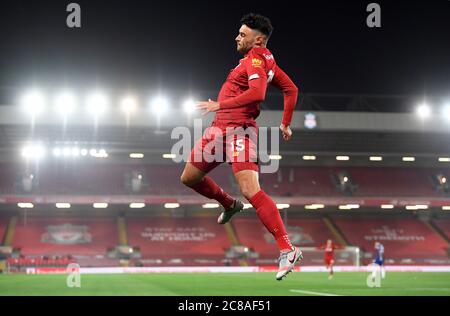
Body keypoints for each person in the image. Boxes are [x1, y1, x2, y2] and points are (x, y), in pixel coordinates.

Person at [180, 13, 301, 280]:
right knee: (189, 177)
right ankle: (229, 205)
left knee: (250, 189)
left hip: (238, 131)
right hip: (218, 129)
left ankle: (287, 249)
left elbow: (257, 94)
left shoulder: (257, 58)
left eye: (243, 34)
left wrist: (219, 104)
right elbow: (291, 89)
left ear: (259, 40)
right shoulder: (265, 61)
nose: (237, 37)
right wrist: (285, 123)